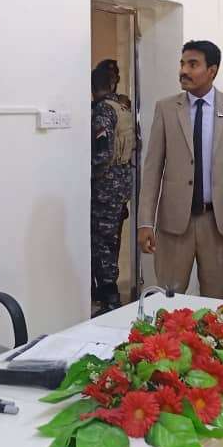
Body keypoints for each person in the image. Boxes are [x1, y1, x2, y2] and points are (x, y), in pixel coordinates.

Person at [137, 41, 223, 299]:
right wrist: (145, 221)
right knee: (167, 300)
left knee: (216, 302)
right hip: (174, 224)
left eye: (193, 64)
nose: (184, 71)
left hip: (218, 225)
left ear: (212, 70)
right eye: (182, 64)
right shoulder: (166, 108)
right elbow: (152, 169)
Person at [90, 65, 136, 314]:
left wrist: (86, 175)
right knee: (112, 241)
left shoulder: (103, 110)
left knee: (102, 244)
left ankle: (110, 299)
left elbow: (103, 154)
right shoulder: (123, 108)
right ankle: (108, 295)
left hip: (105, 188)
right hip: (121, 185)